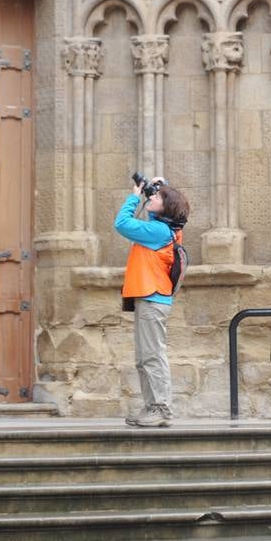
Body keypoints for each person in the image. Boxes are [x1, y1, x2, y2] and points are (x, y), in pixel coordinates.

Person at [114, 176, 190, 428]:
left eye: (155, 197)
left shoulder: (158, 232)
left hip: (152, 299)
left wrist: (135, 196)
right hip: (150, 299)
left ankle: (161, 409)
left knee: (152, 356)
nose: (150, 198)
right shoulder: (167, 229)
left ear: (165, 208)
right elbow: (167, 206)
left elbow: (122, 223)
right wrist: (160, 185)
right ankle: (151, 407)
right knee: (144, 358)